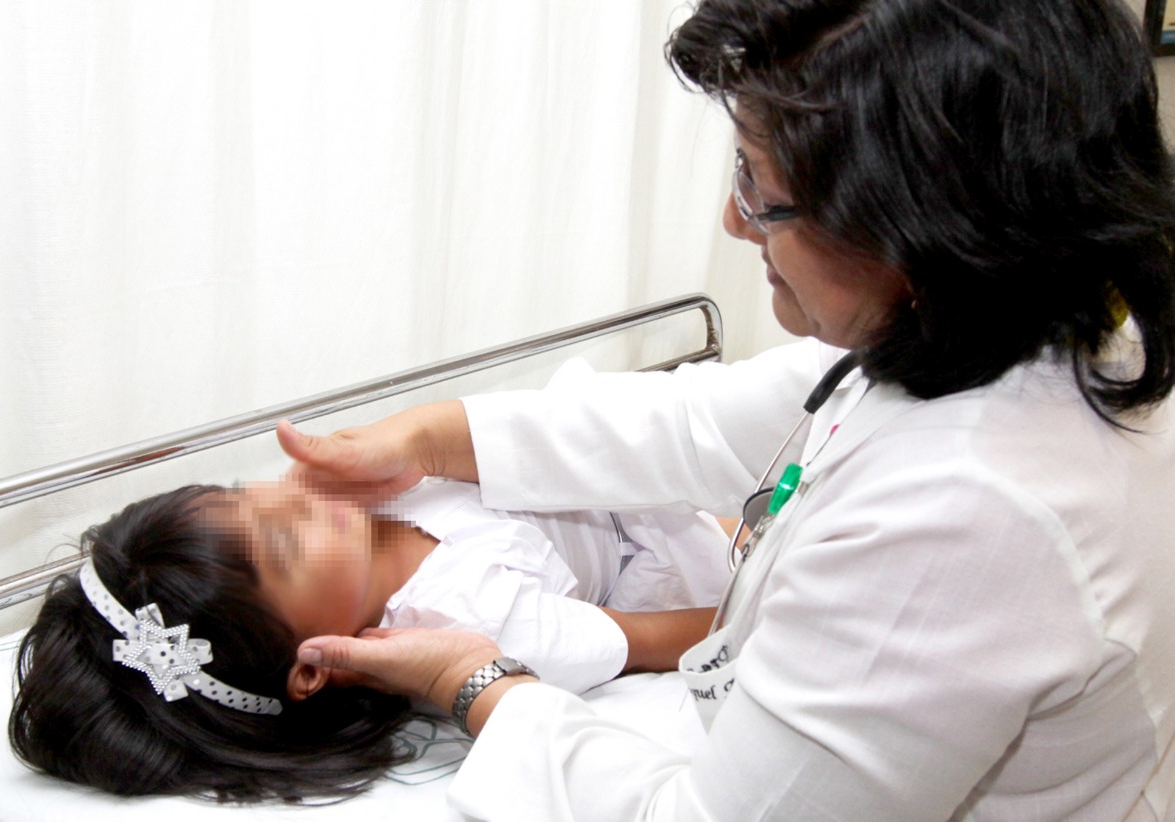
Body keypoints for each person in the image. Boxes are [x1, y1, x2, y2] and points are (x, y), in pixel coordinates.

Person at [280, 0, 1175, 819]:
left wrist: (476, 682)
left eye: (759, 188)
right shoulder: (1012, 317)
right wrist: (430, 437)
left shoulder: (966, 513)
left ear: (919, 228)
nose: (734, 222)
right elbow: (698, 424)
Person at [9, 464, 729, 802]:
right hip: (677, 543)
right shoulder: (470, 620)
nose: (290, 493)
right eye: (286, 541)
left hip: (615, 471)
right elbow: (668, 637)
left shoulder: (358, 499)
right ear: (314, 666)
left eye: (245, 494)